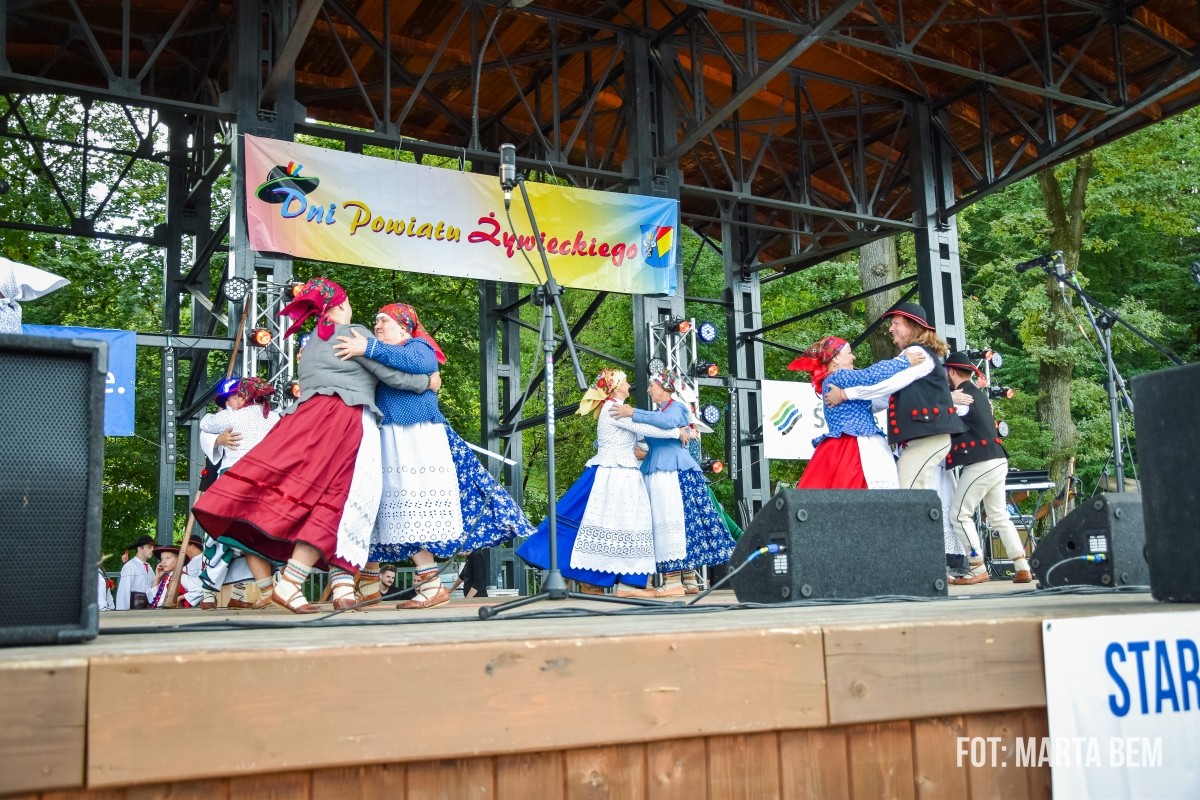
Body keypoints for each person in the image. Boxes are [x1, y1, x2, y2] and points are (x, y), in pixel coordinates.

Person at [192, 278, 435, 613]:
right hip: (344, 420)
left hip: (308, 422)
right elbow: (392, 377)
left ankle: (326, 585)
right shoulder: (353, 333)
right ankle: (308, 582)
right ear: (341, 305)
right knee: (347, 499)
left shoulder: (311, 345)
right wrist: (428, 382)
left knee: (325, 500)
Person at [333, 302, 534, 609]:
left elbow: (416, 362)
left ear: (404, 327)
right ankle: (372, 583)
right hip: (390, 438)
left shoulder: (418, 346)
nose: (377, 325)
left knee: (408, 506)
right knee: (381, 506)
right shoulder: (379, 353)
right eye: (375, 321)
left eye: (384, 320)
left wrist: (369, 348)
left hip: (416, 440)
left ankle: (430, 585)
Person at [516, 368, 688, 598]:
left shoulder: (618, 408)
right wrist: (677, 433)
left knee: (616, 526)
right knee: (620, 525)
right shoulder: (612, 408)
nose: (629, 385)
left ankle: (620, 582)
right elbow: (643, 428)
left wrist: (652, 444)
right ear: (615, 387)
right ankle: (622, 584)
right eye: (624, 381)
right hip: (613, 473)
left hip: (620, 472)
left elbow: (640, 436)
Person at [611, 371, 735, 596]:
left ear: (664, 388)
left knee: (671, 519)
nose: (648, 390)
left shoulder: (677, 408)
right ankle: (688, 579)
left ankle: (673, 581)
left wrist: (633, 412)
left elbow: (665, 422)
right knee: (681, 522)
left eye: (651, 385)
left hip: (672, 473)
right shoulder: (659, 413)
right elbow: (657, 427)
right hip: (662, 470)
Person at [824, 303, 965, 491]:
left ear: (912, 326)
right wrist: (858, 405)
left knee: (905, 491)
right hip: (925, 436)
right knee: (905, 490)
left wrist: (845, 394)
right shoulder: (915, 353)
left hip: (929, 436)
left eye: (896, 323)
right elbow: (888, 395)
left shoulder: (916, 353)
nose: (891, 328)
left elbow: (888, 383)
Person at [788, 336, 926, 488]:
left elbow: (873, 398)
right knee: (864, 486)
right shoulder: (839, 376)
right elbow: (870, 376)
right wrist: (904, 361)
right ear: (835, 359)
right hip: (855, 443)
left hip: (843, 445)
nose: (853, 357)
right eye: (849, 353)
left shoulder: (832, 380)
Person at [942, 351, 1032, 585]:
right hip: (998, 459)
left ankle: (976, 566)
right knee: (999, 515)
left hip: (981, 462)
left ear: (951, 371)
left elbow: (945, 420)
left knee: (959, 515)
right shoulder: (980, 395)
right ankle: (1022, 566)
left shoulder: (962, 397)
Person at [195, 376, 281, 609]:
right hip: (264, 484)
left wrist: (219, 431)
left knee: (224, 536)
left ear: (243, 398)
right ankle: (254, 591)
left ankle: (220, 593)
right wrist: (218, 440)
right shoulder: (274, 417)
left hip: (234, 482)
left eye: (232, 397)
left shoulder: (231, 416)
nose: (228, 402)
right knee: (253, 536)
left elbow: (205, 423)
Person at [115, 534, 155, 610]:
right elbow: (124, 591)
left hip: (148, 607)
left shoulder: (148, 566)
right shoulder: (130, 566)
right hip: (135, 607)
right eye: (149, 547)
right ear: (139, 549)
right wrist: (122, 612)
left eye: (153, 548)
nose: (152, 550)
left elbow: (153, 586)